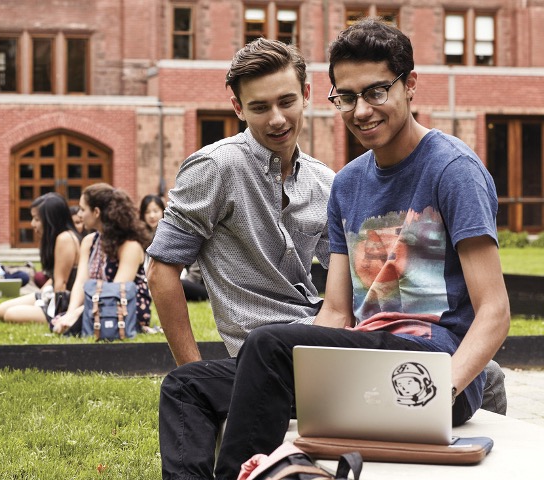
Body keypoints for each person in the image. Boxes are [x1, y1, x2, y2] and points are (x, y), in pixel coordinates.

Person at [208, 19, 511, 478]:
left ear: (410, 86)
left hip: (430, 371)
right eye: (346, 97)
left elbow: (495, 311)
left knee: (268, 343)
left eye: (376, 92)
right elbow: (334, 313)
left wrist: (439, 391)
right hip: (364, 365)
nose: (361, 110)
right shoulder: (348, 184)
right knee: (187, 384)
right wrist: (314, 376)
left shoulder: (453, 170)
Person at [147, 38, 334, 479]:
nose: (277, 119)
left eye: (287, 101)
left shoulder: (327, 183)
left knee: (183, 388)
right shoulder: (215, 168)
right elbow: (161, 272)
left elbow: (350, 281)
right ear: (237, 107)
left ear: (307, 94)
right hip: (256, 363)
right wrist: (195, 367)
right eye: (259, 107)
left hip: (322, 353)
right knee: (187, 383)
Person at [51, 183, 155, 335]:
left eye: (82, 209)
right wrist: (70, 314)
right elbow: (81, 283)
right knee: (60, 322)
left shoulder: (130, 246)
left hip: (123, 309)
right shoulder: (89, 241)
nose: (79, 215)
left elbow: (114, 292)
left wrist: (76, 315)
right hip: (92, 304)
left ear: (96, 212)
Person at [0, 193, 79, 326]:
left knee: (11, 314)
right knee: (1, 310)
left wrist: (59, 316)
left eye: (36, 219)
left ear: (51, 220)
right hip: (51, 293)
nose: (32, 224)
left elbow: (61, 284)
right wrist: (40, 295)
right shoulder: (56, 239)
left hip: (64, 302)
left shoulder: (65, 239)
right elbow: (55, 277)